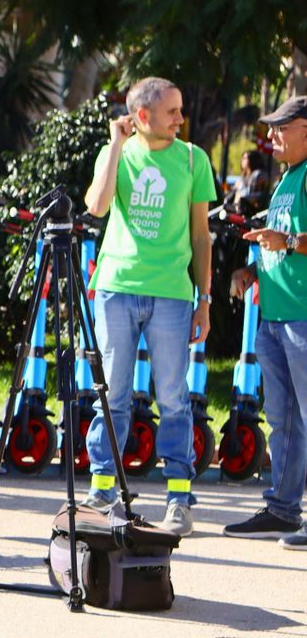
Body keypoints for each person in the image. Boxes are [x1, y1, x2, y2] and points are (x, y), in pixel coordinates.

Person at [82, 77, 215, 535]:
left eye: (180, 109)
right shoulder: (115, 153)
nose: (181, 118)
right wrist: (116, 144)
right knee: (111, 396)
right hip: (116, 287)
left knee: (174, 398)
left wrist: (204, 300)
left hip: (172, 294)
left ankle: (178, 498)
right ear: (142, 116)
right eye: (172, 111)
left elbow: (201, 236)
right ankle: (102, 489)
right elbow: (97, 207)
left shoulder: (194, 159)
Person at [223, 97, 307, 549]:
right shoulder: (287, 179)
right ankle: (283, 510)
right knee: (284, 421)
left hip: (302, 317)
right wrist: (252, 271)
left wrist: (286, 240)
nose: (271, 136)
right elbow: (282, 246)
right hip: (276, 318)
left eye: (281, 128)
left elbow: (290, 241)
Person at [233, 149, 271, 216]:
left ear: (252, 160)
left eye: (245, 158)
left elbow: (257, 197)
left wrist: (241, 192)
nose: (242, 160)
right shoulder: (244, 176)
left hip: (252, 214)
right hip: (239, 211)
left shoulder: (259, 174)